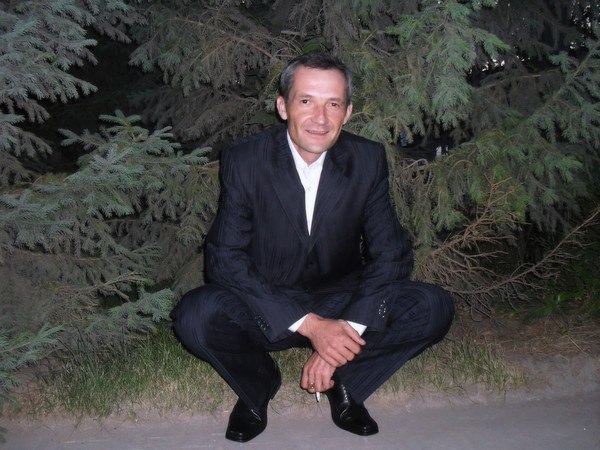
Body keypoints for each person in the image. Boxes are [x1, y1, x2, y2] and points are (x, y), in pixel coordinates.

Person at [170, 51, 454, 443]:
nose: (320, 118)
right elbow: (224, 259)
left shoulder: (367, 159)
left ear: (347, 112)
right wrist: (312, 327)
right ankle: (259, 384)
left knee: (433, 306)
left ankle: (346, 382)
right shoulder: (245, 159)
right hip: (266, 305)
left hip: (340, 299)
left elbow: (391, 254)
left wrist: (342, 336)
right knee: (195, 315)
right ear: (283, 106)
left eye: (333, 104)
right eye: (306, 101)